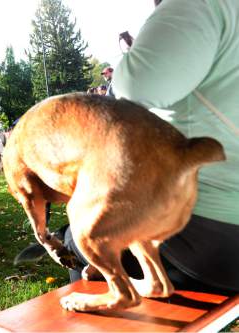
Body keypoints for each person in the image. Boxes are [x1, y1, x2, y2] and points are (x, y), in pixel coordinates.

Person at [64, 0, 239, 293]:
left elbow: (131, 93)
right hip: (222, 235)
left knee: (75, 238)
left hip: (212, 237)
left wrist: (135, 58)